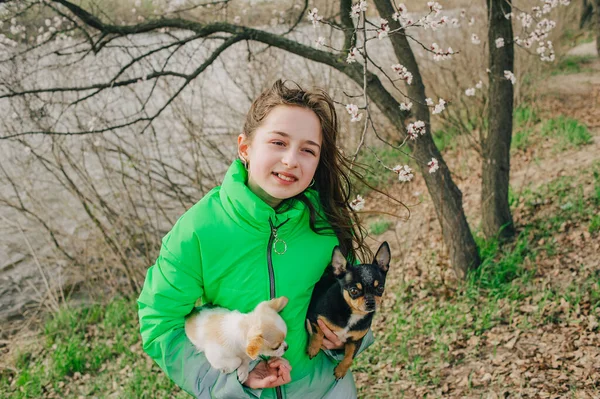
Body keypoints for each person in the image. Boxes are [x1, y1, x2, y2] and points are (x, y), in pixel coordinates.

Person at [138, 80, 375, 399]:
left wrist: (345, 335)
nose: (292, 159)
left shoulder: (325, 221)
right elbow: (160, 323)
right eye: (279, 142)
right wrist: (230, 381)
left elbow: (354, 291)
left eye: (308, 150)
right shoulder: (199, 230)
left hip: (327, 390)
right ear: (245, 147)